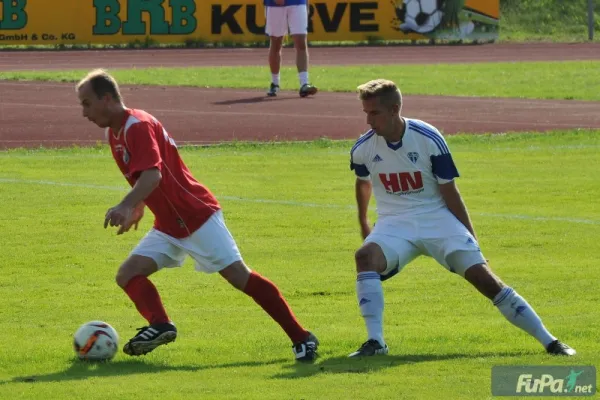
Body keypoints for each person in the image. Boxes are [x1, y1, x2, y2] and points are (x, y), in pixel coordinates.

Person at [75, 69, 318, 362]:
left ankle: (302, 338)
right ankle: (161, 325)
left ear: (106, 98)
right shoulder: (115, 133)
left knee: (240, 276)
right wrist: (139, 205)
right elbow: (144, 177)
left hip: (195, 216)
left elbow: (153, 174)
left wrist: (126, 205)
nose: (84, 112)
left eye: (87, 103)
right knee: (128, 274)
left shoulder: (136, 126)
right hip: (168, 225)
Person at [347, 78, 576, 358]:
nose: (369, 121)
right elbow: (363, 181)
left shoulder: (428, 138)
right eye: (366, 113)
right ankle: (375, 342)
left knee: (485, 279)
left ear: (394, 109)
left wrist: (471, 238)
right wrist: (363, 222)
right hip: (394, 222)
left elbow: (450, 191)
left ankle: (550, 341)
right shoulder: (363, 148)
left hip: (437, 218)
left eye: (374, 113)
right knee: (364, 257)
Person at [264, 0, 318, 98]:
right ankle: (275, 83)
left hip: (298, 3)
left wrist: (306, 3)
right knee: (276, 43)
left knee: (301, 43)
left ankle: (304, 84)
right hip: (275, 5)